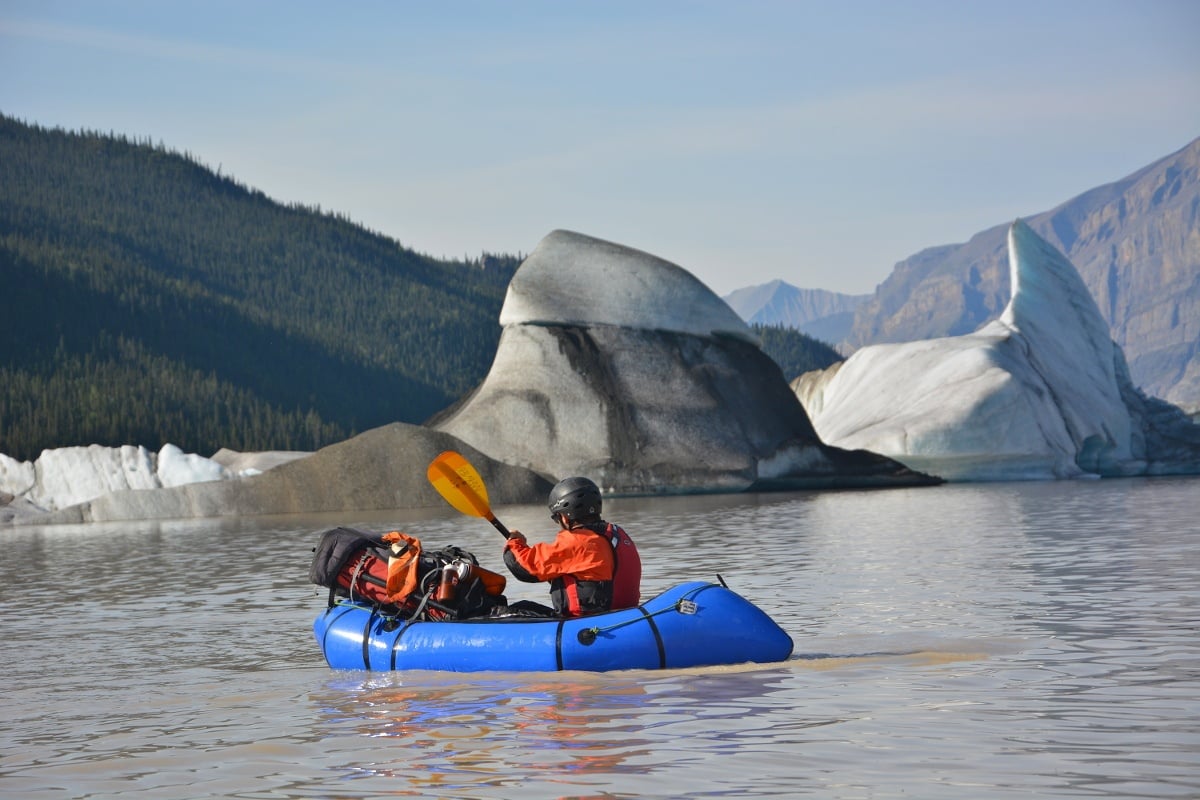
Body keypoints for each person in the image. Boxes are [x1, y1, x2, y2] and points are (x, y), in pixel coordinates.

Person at [499, 476, 641, 618]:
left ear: (565, 518)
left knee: (508, 612)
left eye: (556, 518)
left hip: (587, 623)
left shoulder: (576, 541)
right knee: (526, 606)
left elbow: (525, 568)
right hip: (625, 616)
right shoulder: (618, 533)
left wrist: (514, 542)